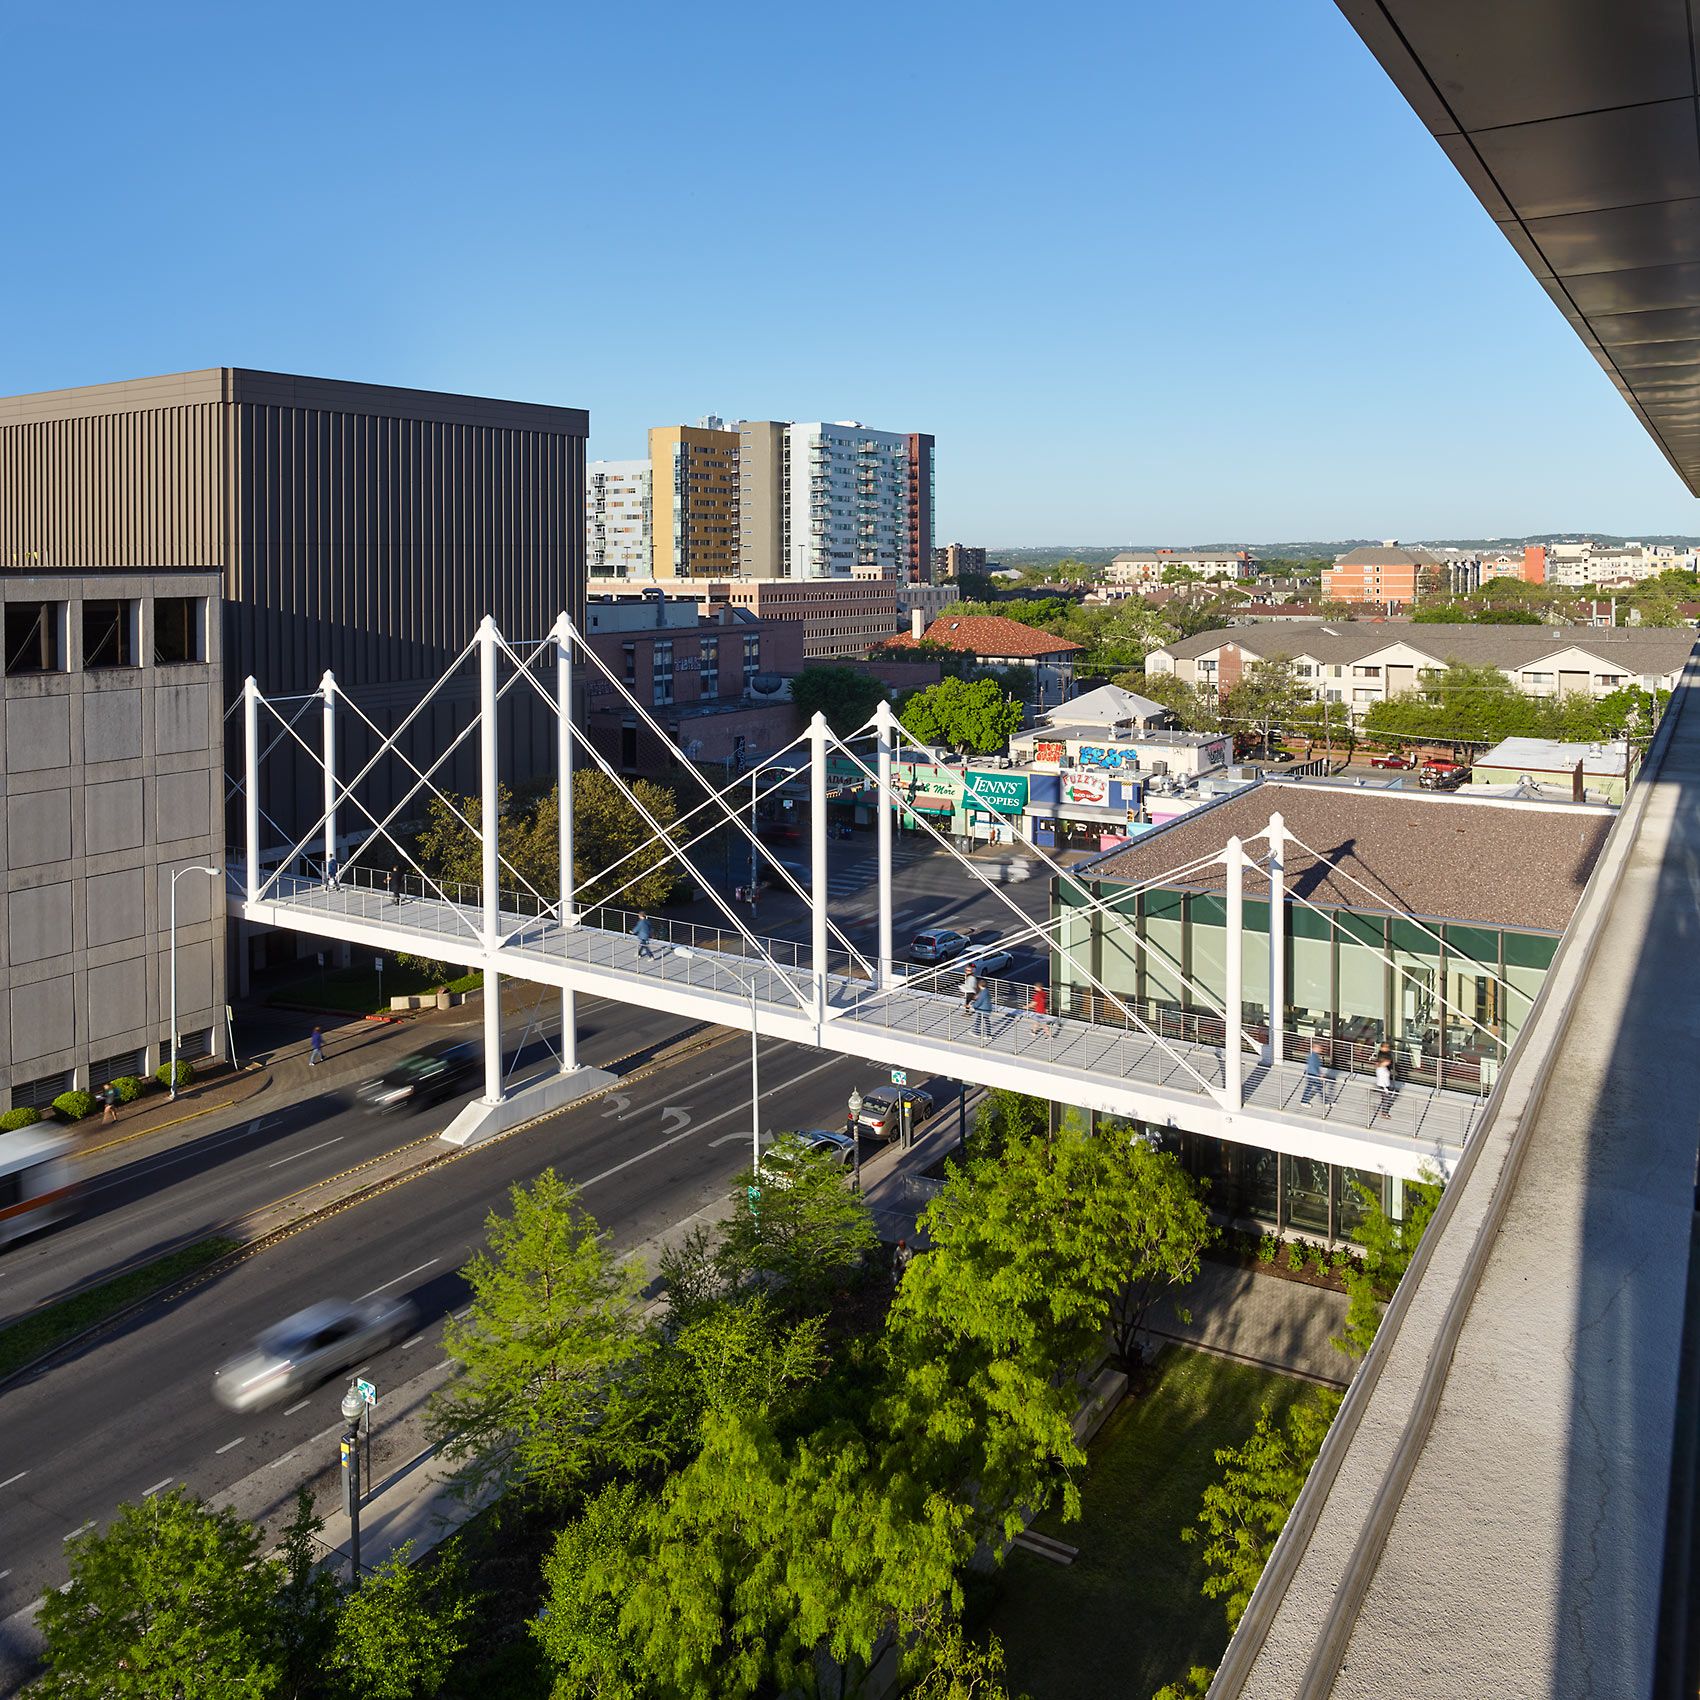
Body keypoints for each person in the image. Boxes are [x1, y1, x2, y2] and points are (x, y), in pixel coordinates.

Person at [1301, 1039, 1327, 1106]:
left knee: (1316, 1087)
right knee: (1314, 1088)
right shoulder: (1313, 1056)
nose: (1321, 1049)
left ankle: (1325, 1102)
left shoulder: (1314, 1055)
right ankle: (1304, 1101)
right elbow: (1312, 1066)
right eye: (1319, 1048)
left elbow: (1316, 1066)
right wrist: (1319, 1074)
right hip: (1312, 1074)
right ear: (1315, 1047)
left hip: (1313, 1074)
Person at [1374, 1054, 1395, 1118]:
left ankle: (1384, 1112)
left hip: (1386, 1086)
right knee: (1386, 1100)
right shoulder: (1381, 1070)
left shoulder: (1383, 1068)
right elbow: (1382, 1080)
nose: (1389, 1062)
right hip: (1384, 1087)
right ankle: (1384, 1113)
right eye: (1387, 1061)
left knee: (1385, 1099)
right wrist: (1385, 1088)